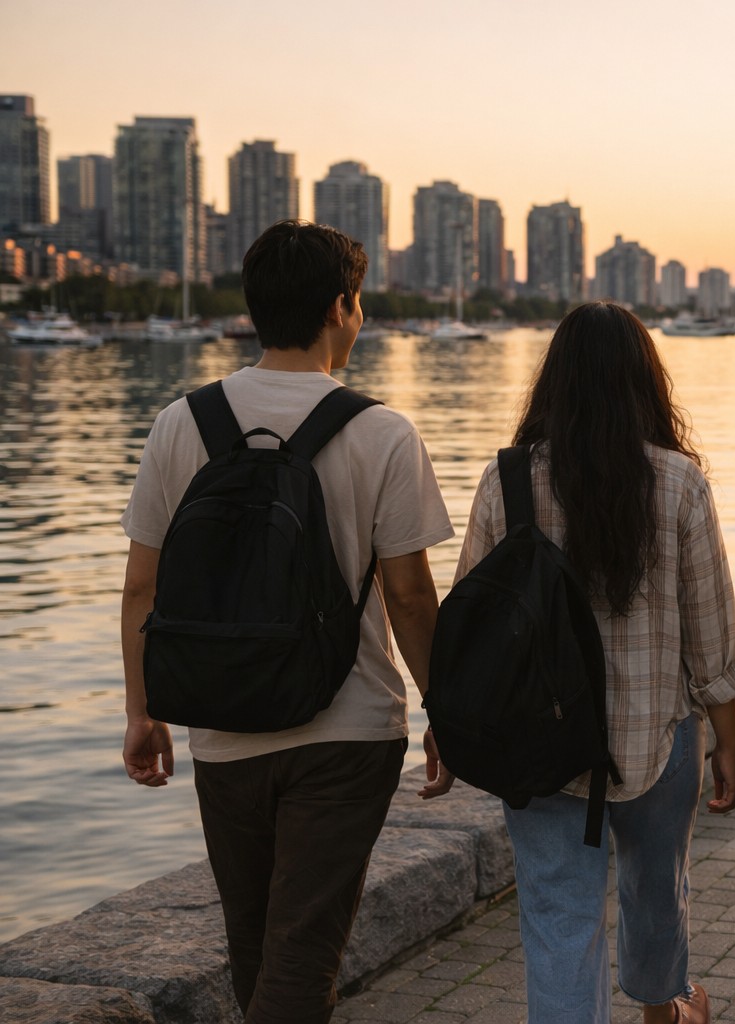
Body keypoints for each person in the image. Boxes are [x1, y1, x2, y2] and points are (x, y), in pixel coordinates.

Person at [120, 220, 455, 1024]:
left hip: (223, 723)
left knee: (257, 946)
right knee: (303, 955)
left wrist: (144, 711)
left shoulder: (181, 423)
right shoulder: (382, 432)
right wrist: (448, 707)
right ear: (342, 307)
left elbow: (141, 589)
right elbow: (409, 598)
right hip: (348, 731)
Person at [454, 302, 735, 1024]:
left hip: (540, 741)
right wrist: (734, 741)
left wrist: (445, 727)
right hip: (658, 738)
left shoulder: (508, 481)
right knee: (655, 887)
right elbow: (711, 641)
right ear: (646, 383)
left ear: (552, 382)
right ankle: (663, 1011)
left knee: (558, 914)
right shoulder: (679, 483)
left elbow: (473, 621)